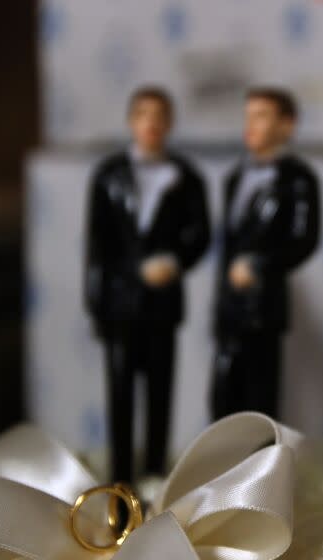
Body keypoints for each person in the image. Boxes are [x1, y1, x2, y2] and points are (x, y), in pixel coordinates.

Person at [84, 85, 210, 485]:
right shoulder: (108, 177)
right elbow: (97, 247)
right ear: (131, 121)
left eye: (159, 116)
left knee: (160, 398)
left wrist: (175, 261)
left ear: (169, 124)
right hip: (120, 305)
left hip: (161, 306)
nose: (151, 124)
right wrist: (97, 303)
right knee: (120, 399)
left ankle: (156, 477)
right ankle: (121, 484)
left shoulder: (188, 178)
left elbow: (201, 234)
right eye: (143, 115)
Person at [211, 87, 321, 421]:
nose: (251, 125)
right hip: (229, 307)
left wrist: (260, 264)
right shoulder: (234, 178)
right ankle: (222, 465)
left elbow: (304, 240)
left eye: (261, 116)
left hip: (262, 307)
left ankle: (258, 467)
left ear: (286, 125)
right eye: (248, 116)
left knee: (259, 395)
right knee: (222, 393)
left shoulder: (299, 180)